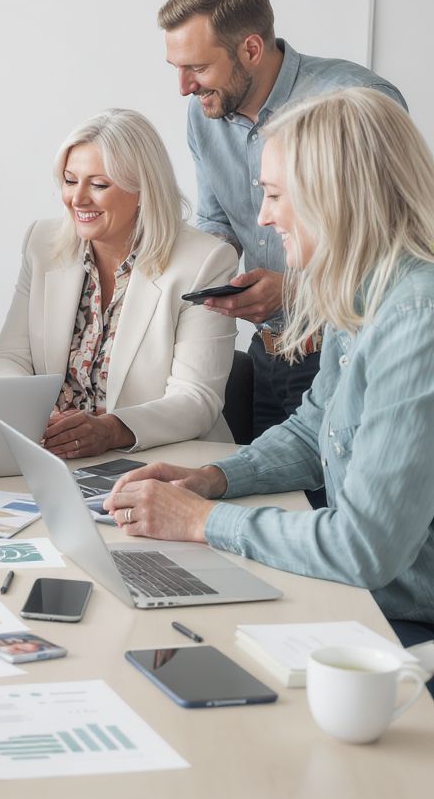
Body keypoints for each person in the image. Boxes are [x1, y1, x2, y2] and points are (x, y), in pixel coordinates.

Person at [103, 88, 434, 691]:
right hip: (374, 604)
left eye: (275, 195)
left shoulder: (417, 318)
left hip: (407, 624)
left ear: (335, 197)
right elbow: (315, 429)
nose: (262, 217)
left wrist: (202, 521)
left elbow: (363, 547)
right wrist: (214, 479)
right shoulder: (361, 289)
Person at [158, 0, 407, 444]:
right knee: (272, 504)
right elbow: (217, 225)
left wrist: (295, 290)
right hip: (269, 352)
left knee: (330, 515)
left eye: (198, 67)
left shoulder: (355, 103)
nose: (184, 87)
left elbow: (392, 253)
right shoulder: (203, 113)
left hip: (344, 354)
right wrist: (183, 277)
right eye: (177, 68)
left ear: (251, 49)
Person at [0, 109, 237, 457]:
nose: (77, 198)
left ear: (144, 190)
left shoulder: (205, 260)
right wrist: (35, 416)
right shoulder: (41, 243)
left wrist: (111, 430)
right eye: (70, 180)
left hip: (161, 461)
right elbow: (9, 358)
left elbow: (196, 400)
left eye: (99, 184)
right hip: (58, 457)